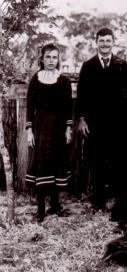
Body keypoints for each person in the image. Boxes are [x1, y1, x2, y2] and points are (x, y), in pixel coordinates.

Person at [76, 27, 127, 211]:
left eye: (108, 41)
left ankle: (118, 201)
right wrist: (82, 119)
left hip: (117, 123)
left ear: (113, 42)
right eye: (101, 41)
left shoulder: (122, 65)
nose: (105, 44)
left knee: (117, 160)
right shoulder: (88, 66)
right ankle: (98, 200)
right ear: (96, 42)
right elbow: (81, 95)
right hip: (95, 123)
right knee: (96, 161)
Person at [25, 43, 73, 222]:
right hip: (41, 127)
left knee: (56, 164)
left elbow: (68, 108)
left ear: (58, 59)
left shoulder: (64, 81)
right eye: (48, 57)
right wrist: (30, 131)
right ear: (42, 59)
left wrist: (68, 128)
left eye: (55, 57)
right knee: (41, 166)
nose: (51, 61)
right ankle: (40, 210)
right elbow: (30, 107)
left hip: (59, 128)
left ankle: (55, 206)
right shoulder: (35, 80)